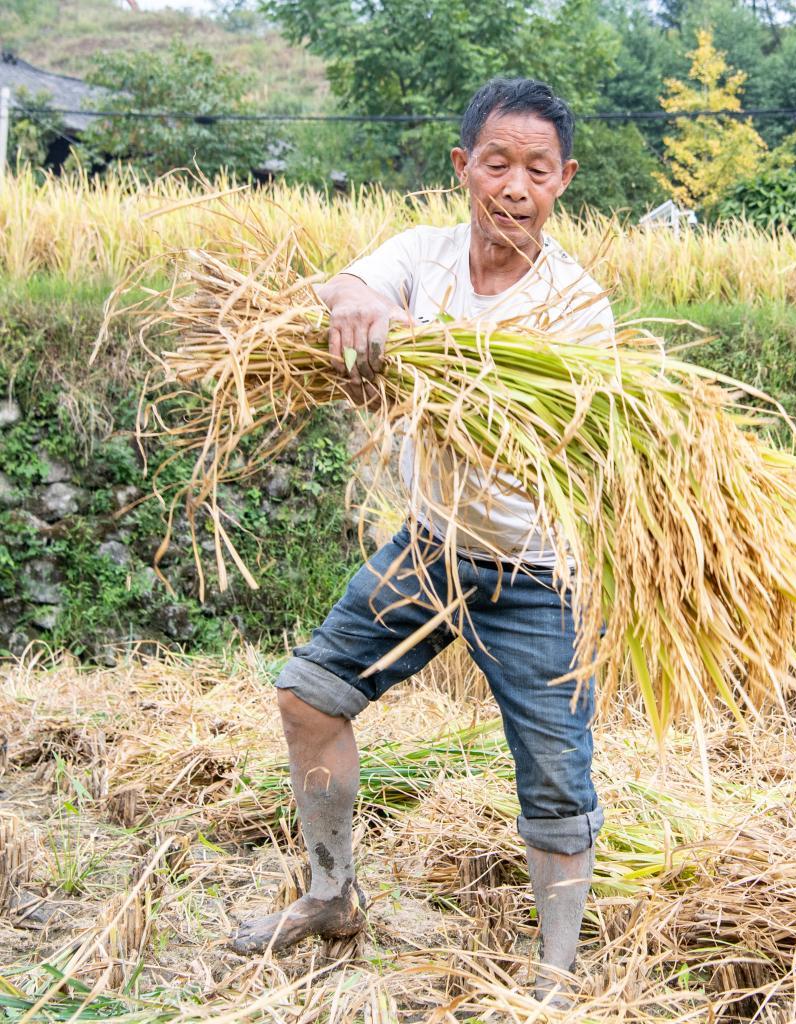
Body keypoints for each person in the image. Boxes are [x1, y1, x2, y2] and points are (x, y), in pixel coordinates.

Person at [228, 78, 614, 1003]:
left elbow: (536, 432)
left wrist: (417, 363)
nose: (513, 186)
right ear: (463, 168)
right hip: (433, 545)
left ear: (562, 180)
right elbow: (354, 285)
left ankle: (553, 977)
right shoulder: (425, 256)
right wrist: (356, 304)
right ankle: (330, 896)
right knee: (309, 697)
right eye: (496, 163)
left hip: (536, 573)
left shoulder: (577, 307)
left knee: (556, 781)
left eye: (535, 169)